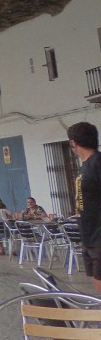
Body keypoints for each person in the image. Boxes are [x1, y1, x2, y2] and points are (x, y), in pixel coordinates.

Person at [68, 122, 101, 297]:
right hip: (89, 235)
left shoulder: (98, 163)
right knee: (96, 279)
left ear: (73, 143)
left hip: (98, 234)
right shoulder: (84, 167)